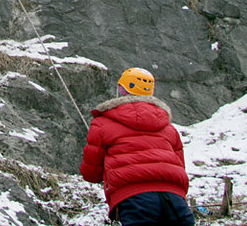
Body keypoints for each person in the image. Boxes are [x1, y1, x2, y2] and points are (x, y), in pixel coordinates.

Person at [80, 67, 195, 226]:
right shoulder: (168, 127)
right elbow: (180, 165)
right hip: (174, 199)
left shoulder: (102, 123)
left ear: (122, 90)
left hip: (134, 199)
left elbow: (91, 173)